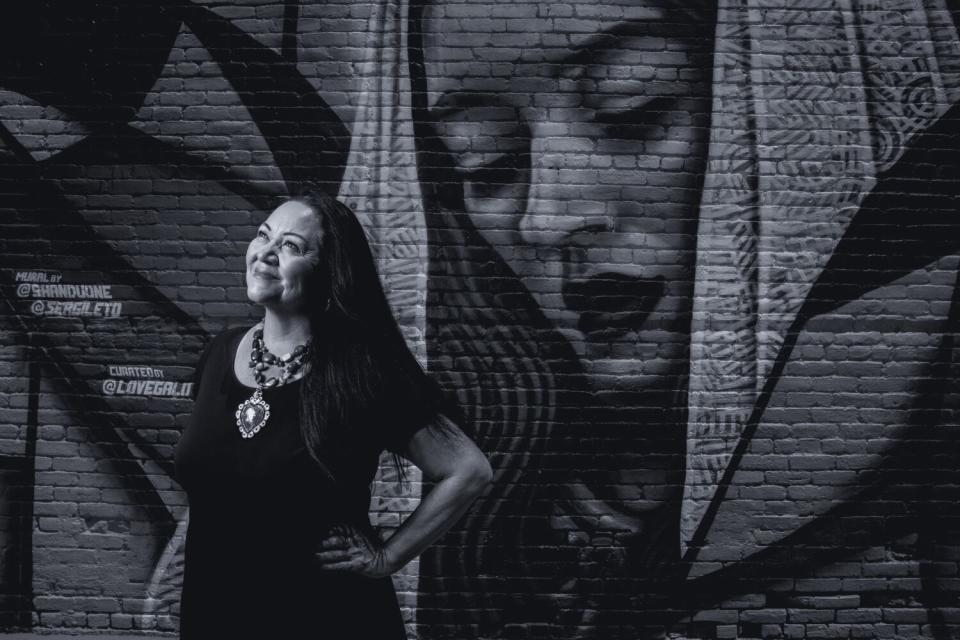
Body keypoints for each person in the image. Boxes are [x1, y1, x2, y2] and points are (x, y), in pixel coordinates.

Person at [174, 190, 492, 639]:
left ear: (327, 272)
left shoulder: (361, 371)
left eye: (291, 247)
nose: (265, 254)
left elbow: (469, 470)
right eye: (264, 236)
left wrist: (389, 557)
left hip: (325, 615)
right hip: (216, 612)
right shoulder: (220, 354)